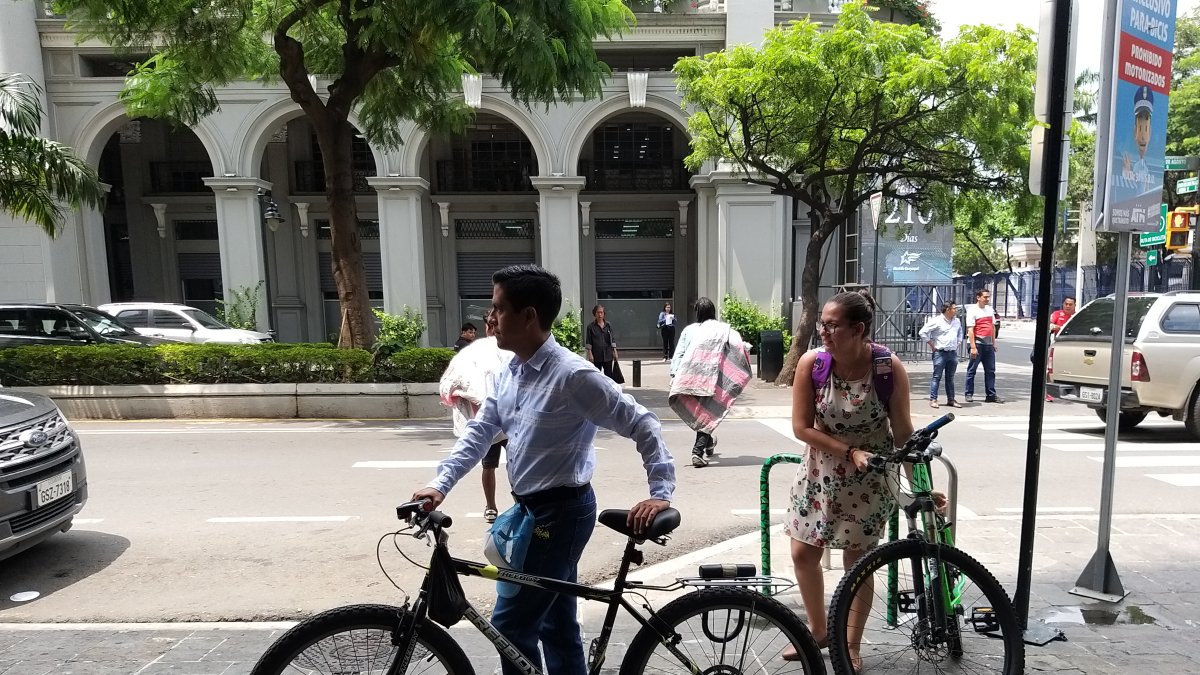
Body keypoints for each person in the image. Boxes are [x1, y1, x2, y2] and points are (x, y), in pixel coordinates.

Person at [413, 264, 676, 675]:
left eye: (499, 309)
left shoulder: (572, 376)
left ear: (529, 316)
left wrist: (660, 491)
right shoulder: (510, 371)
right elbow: (481, 431)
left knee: (509, 627)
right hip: (532, 511)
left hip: (562, 513)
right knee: (556, 626)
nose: (490, 319)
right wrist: (438, 484)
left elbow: (643, 422)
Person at [783, 289, 915, 671]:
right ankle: (819, 630)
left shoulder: (887, 368)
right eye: (822, 323)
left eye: (832, 325)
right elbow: (801, 428)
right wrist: (848, 451)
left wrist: (918, 485)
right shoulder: (813, 364)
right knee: (802, 552)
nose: (823, 331)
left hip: (870, 479)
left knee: (857, 564)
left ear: (858, 329)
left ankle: (849, 643)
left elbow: (904, 431)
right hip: (819, 473)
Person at [438, 309, 513, 524]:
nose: (494, 328)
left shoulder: (514, 352)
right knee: (489, 465)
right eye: (491, 324)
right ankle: (491, 506)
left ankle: (521, 501)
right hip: (485, 420)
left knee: (517, 463)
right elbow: (454, 382)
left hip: (510, 422)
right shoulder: (475, 353)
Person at [669, 297, 751, 468]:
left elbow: (679, 353)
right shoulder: (723, 329)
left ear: (697, 312)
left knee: (701, 414)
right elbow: (738, 346)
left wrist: (674, 375)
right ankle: (697, 452)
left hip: (688, 377)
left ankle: (708, 443)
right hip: (711, 378)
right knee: (706, 413)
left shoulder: (690, 330)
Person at [919, 301, 963, 409]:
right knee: (937, 377)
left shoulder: (956, 321)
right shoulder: (937, 321)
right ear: (947, 309)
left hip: (952, 353)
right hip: (940, 352)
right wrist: (931, 344)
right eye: (954, 308)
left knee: (950, 377)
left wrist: (958, 342)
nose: (956, 310)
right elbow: (922, 332)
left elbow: (960, 332)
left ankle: (951, 399)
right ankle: (933, 399)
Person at [964, 289, 1003, 403]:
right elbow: (970, 330)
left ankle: (991, 395)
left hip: (988, 345)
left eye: (988, 297)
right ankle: (969, 393)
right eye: (985, 297)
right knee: (972, 370)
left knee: (990, 371)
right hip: (977, 344)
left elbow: (992, 327)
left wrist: (994, 343)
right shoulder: (973, 311)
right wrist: (973, 347)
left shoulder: (990, 310)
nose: (987, 299)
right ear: (978, 297)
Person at [1121, 86, 1154, 193]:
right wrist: (1127, 174)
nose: (1143, 137)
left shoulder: (1148, 163)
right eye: (1140, 128)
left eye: (1145, 129)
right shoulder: (1126, 157)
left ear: (1150, 132)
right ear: (1135, 131)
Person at [585, 304, 618, 380]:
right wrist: (590, 354)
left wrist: (615, 351)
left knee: (609, 376)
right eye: (598, 312)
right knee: (596, 376)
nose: (600, 315)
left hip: (608, 355)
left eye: (601, 312)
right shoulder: (590, 327)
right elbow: (588, 341)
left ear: (604, 314)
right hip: (596, 356)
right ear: (595, 314)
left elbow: (612, 339)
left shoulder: (608, 325)